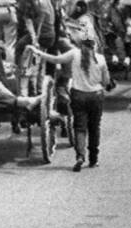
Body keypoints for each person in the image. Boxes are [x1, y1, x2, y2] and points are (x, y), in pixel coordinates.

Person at [28, 34, 111, 171]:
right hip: (95, 96)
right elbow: (106, 81)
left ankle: (80, 156)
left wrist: (39, 53)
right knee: (94, 128)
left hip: (78, 95)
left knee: (79, 127)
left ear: (80, 44)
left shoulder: (74, 54)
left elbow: (55, 59)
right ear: (94, 45)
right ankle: (93, 159)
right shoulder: (100, 59)